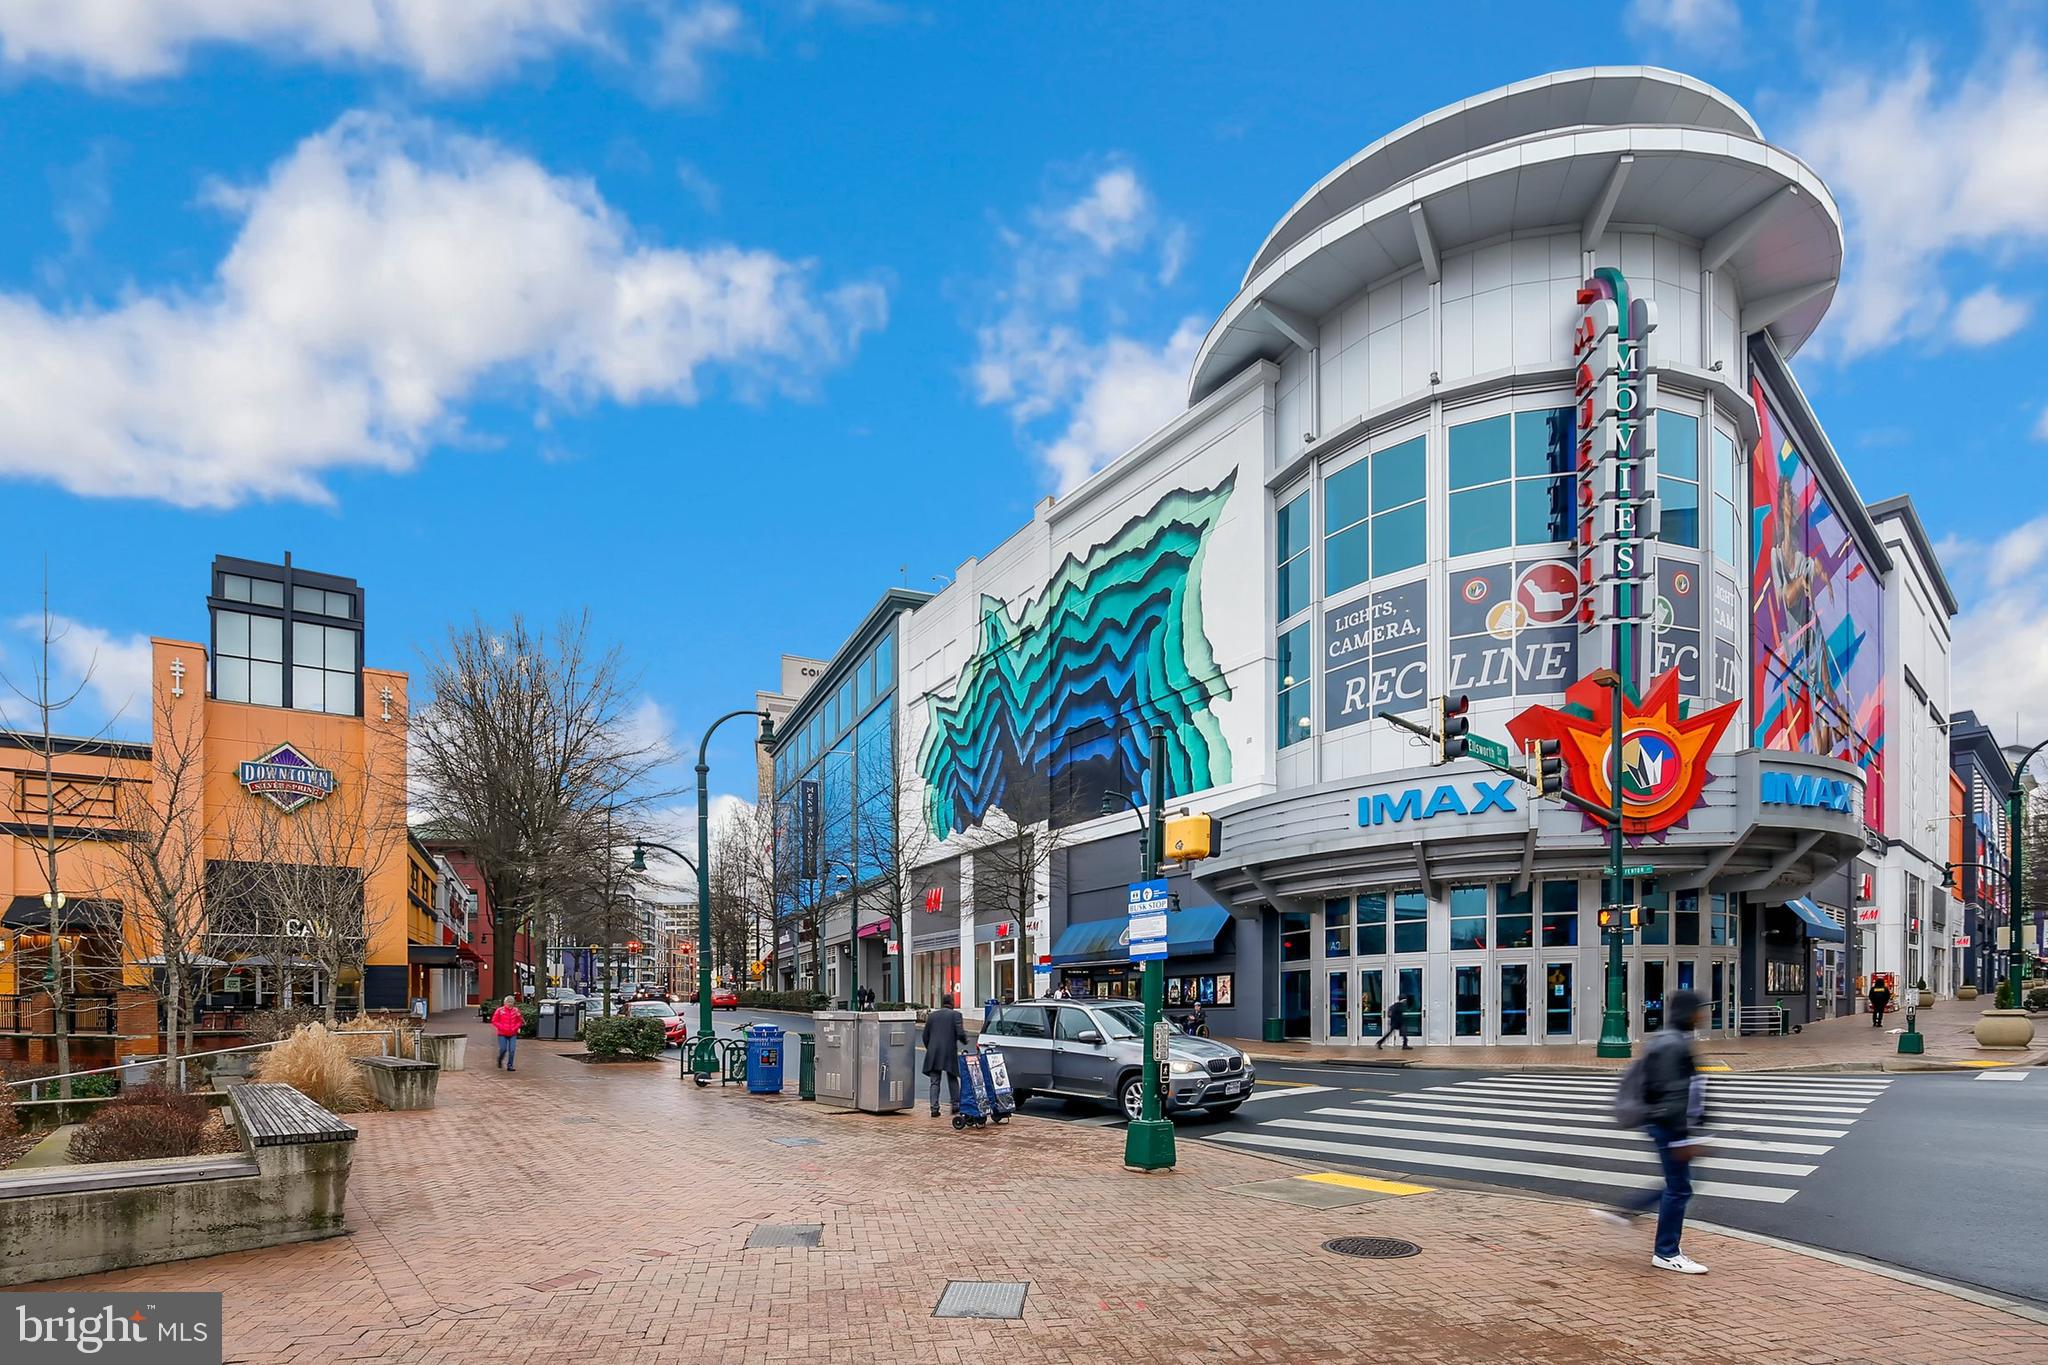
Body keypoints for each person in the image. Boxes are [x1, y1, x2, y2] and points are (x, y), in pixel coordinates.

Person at [1597, 988, 1710, 1274]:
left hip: (1667, 1125)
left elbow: (1689, 1087)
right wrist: (1683, 1135)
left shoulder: (1672, 1040)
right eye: (1700, 1009)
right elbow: (1671, 1093)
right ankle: (1666, 1251)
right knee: (1679, 1188)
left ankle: (1626, 1212)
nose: (1704, 1014)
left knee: (1678, 1185)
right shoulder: (1672, 1044)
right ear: (1688, 1013)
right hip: (1669, 1127)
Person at [922, 992, 965, 1116]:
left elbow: (925, 1036)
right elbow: (960, 1033)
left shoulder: (932, 1016)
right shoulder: (956, 1015)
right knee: (952, 1077)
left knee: (934, 1081)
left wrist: (930, 1048)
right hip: (949, 1052)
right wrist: (964, 1040)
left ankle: (934, 1108)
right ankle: (955, 1104)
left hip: (934, 1052)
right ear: (952, 1003)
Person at [490, 995, 523, 1072]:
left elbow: (519, 1021)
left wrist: (516, 1027)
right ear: (505, 1002)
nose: (510, 1004)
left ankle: (510, 1065)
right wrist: (501, 1027)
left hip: (512, 1033)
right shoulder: (500, 1010)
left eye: (511, 1002)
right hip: (502, 1033)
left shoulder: (516, 1011)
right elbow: (494, 1021)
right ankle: (500, 1059)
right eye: (508, 1002)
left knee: (512, 1050)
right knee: (503, 1049)